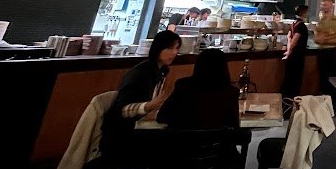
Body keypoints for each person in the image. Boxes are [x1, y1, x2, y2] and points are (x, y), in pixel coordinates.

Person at [101, 31, 181, 160]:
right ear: (157, 48)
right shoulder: (140, 73)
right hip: (121, 135)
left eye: (176, 48)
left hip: (138, 127)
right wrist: (148, 106)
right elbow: (121, 111)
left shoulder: (162, 71)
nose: (174, 53)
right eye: (169, 48)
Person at [156, 48, 239, 129]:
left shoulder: (183, 86)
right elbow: (234, 124)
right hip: (216, 138)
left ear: (198, 65)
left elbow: (162, 116)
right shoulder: (231, 92)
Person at [281, 6, 309, 100]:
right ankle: (291, 102)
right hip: (298, 57)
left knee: (288, 79)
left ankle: (284, 101)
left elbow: (289, 38)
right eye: (307, 12)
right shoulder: (301, 26)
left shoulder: (294, 24)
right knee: (295, 81)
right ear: (304, 13)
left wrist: (288, 51)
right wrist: (290, 50)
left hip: (292, 56)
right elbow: (294, 40)